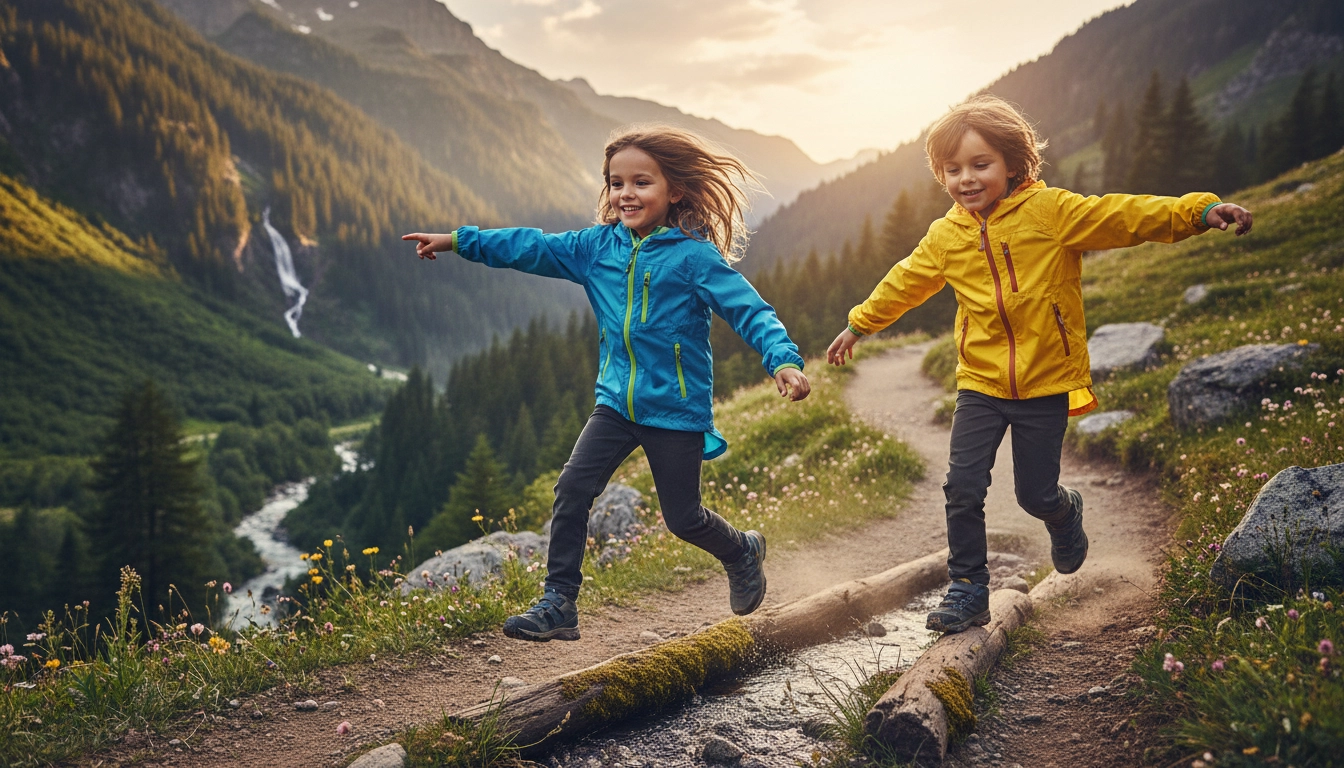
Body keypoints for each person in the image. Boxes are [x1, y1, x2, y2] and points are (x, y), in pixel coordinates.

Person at [825, 95, 1253, 634]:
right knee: (962, 486)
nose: (966, 180)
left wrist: (1197, 211)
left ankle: (1063, 512)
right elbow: (905, 281)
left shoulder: (1051, 213)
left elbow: (1123, 216)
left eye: (980, 165)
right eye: (952, 170)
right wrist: (860, 324)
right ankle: (967, 590)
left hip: (1045, 382)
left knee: (1034, 493)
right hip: (979, 383)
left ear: (1012, 163)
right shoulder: (945, 235)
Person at [403, 125, 810, 641]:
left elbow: (750, 311)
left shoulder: (695, 258)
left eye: (642, 182)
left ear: (675, 191)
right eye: (616, 183)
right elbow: (530, 246)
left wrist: (782, 361)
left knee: (683, 519)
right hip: (615, 403)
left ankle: (742, 549)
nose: (626, 194)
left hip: (674, 411)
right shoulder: (597, 248)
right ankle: (559, 603)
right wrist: (461, 241)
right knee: (573, 489)